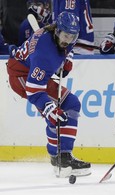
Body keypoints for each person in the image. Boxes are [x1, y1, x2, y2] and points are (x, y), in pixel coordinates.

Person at [6, 11, 91, 178]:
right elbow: (33, 91)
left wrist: (67, 60)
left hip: (33, 69)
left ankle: (61, 156)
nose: (68, 40)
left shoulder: (56, 34)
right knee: (54, 113)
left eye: (72, 37)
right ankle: (59, 157)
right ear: (57, 31)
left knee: (71, 104)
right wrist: (48, 108)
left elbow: (68, 47)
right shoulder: (45, 55)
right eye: (65, 35)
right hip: (21, 76)